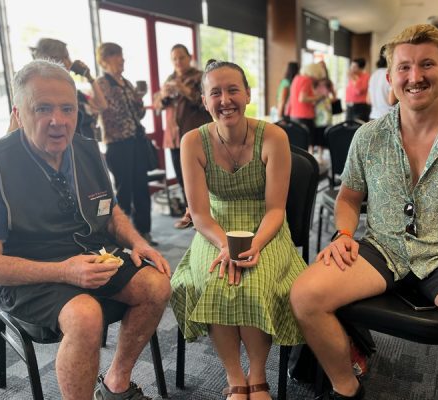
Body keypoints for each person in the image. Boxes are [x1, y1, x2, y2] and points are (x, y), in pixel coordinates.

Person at [290, 24, 438, 400]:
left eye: (426, 65)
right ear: (390, 77)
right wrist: (342, 233)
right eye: (404, 68)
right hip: (382, 248)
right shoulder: (369, 136)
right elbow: (349, 197)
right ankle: (346, 387)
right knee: (305, 296)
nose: (414, 77)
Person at [0, 59, 171, 400]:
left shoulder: (87, 150)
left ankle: (116, 383)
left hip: (89, 255)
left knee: (156, 285)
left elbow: (109, 209)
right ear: (18, 113)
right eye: (42, 108)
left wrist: (136, 241)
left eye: (67, 109)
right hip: (26, 271)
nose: (58, 121)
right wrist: (64, 271)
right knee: (85, 315)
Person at [170, 60, 307, 400]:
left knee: (254, 282)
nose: (225, 99)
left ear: (247, 94)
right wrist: (224, 246)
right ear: (204, 101)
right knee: (218, 282)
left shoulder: (274, 136)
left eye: (233, 90)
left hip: (265, 226)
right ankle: (235, 378)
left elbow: (276, 209)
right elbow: (200, 215)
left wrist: (255, 245)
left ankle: (257, 376)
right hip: (214, 228)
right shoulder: (192, 142)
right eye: (215, 92)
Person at [96, 42, 158, 245]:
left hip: (136, 142)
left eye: (121, 55)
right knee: (124, 191)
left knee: (141, 187)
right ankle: (123, 235)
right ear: (105, 60)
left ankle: (144, 232)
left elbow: (139, 114)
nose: (122, 59)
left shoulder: (127, 83)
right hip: (117, 144)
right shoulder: (100, 84)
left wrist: (139, 98)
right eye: (116, 56)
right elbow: (107, 110)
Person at [154, 44, 212, 229]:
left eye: (181, 57)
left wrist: (182, 88)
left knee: (202, 176)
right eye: (174, 59)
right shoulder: (169, 79)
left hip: (195, 133)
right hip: (174, 136)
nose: (178, 62)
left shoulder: (200, 77)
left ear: (189, 57)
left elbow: (203, 101)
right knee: (182, 177)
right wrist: (163, 95)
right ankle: (191, 213)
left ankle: (206, 215)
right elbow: (158, 107)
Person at [8, 38, 108, 139]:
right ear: (53, 60)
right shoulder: (30, 95)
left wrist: (89, 77)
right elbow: (12, 135)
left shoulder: (72, 93)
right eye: (66, 57)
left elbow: (101, 105)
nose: (70, 63)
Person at [288, 62, 327, 152]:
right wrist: (319, 97)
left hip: (294, 115)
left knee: (298, 144)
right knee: (307, 144)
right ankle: (307, 164)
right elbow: (302, 98)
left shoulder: (296, 78)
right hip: (305, 116)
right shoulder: (306, 80)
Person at [367, 45, 391, 120]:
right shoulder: (390, 74)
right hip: (387, 119)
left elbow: (368, 100)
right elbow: (391, 101)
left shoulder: (374, 74)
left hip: (373, 118)